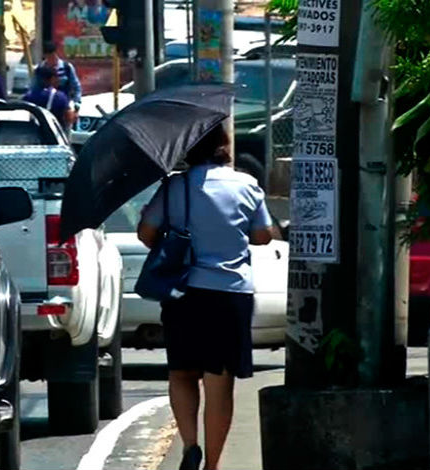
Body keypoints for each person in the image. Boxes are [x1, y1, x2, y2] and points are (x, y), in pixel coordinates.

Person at [137, 125, 275, 470]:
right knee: (220, 379)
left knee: (182, 372)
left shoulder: (174, 187)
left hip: (183, 291)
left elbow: (146, 233)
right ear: (224, 146)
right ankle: (212, 465)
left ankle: (190, 445)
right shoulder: (246, 185)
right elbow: (262, 236)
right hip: (231, 294)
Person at [34, 41, 82, 120]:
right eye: (48, 57)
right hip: (45, 108)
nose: (51, 60)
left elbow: (76, 87)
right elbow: (34, 88)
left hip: (64, 108)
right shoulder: (39, 69)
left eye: (52, 56)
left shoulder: (67, 68)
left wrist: (76, 105)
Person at [22, 66, 75, 130]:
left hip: (32, 133)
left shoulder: (28, 96)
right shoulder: (60, 97)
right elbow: (69, 118)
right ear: (52, 79)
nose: (58, 80)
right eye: (56, 77)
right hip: (52, 134)